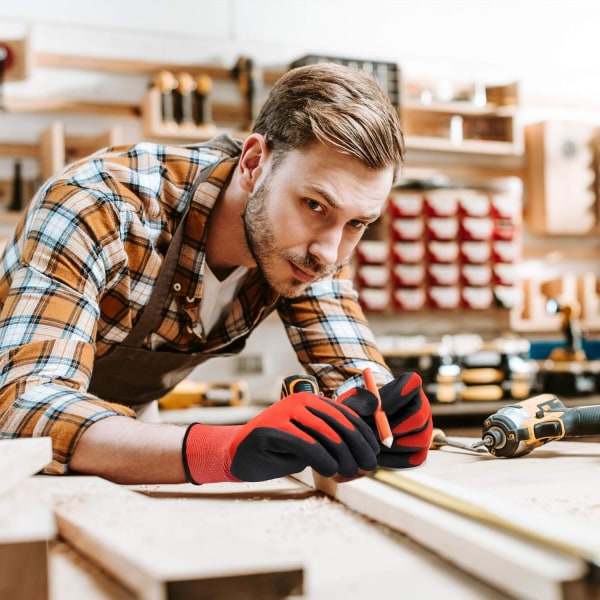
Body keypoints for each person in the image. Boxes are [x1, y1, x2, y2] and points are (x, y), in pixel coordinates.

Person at [0, 63, 432, 485]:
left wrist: (381, 413)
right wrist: (223, 450)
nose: (329, 251)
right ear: (253, 164)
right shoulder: (98, 204)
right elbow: (27, 410)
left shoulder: (315, 246)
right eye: (315, 205)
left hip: (119, 430)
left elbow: (351, 372)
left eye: (358, 223)